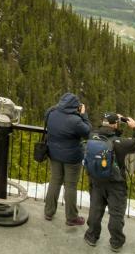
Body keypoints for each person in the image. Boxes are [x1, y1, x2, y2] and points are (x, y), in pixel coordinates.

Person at [84, 113, 135, 252]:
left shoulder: (92, 135)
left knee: (95, 210)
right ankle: (116, 242)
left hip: (96, 180)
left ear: (103, 122)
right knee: (116, 214)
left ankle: (91, 236)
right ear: (115, 125)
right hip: (115, 184)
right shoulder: (119, 143)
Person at [43, 92, 91, 225]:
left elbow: (46, 119)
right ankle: (71, 218)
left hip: (54, 154)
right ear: (75, 106)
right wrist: (83, 115)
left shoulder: (51, 113)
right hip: (72, 158)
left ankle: (48, 212)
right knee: (70, 186)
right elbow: (88, 132)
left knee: (55, 181)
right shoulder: (75, 121)